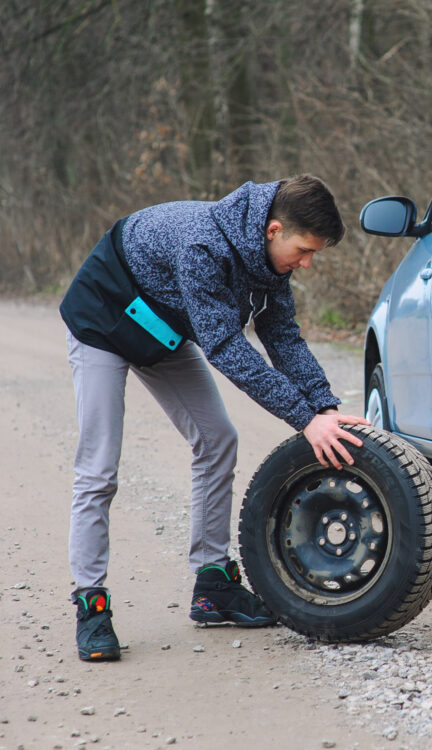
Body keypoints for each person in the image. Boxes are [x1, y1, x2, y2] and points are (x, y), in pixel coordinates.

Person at [60, 175, 369, 661]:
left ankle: (213, 586)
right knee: (99, 468)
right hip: (102, 318)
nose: (307, 263)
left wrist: (323, 408)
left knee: (218, 438)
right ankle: (91, 602)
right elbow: (224, 345)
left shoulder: (271, 264)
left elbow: (282, 336)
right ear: (273, 229)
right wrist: (302, 420)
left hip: (161, 327)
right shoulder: (203, 244)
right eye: (305, 250)